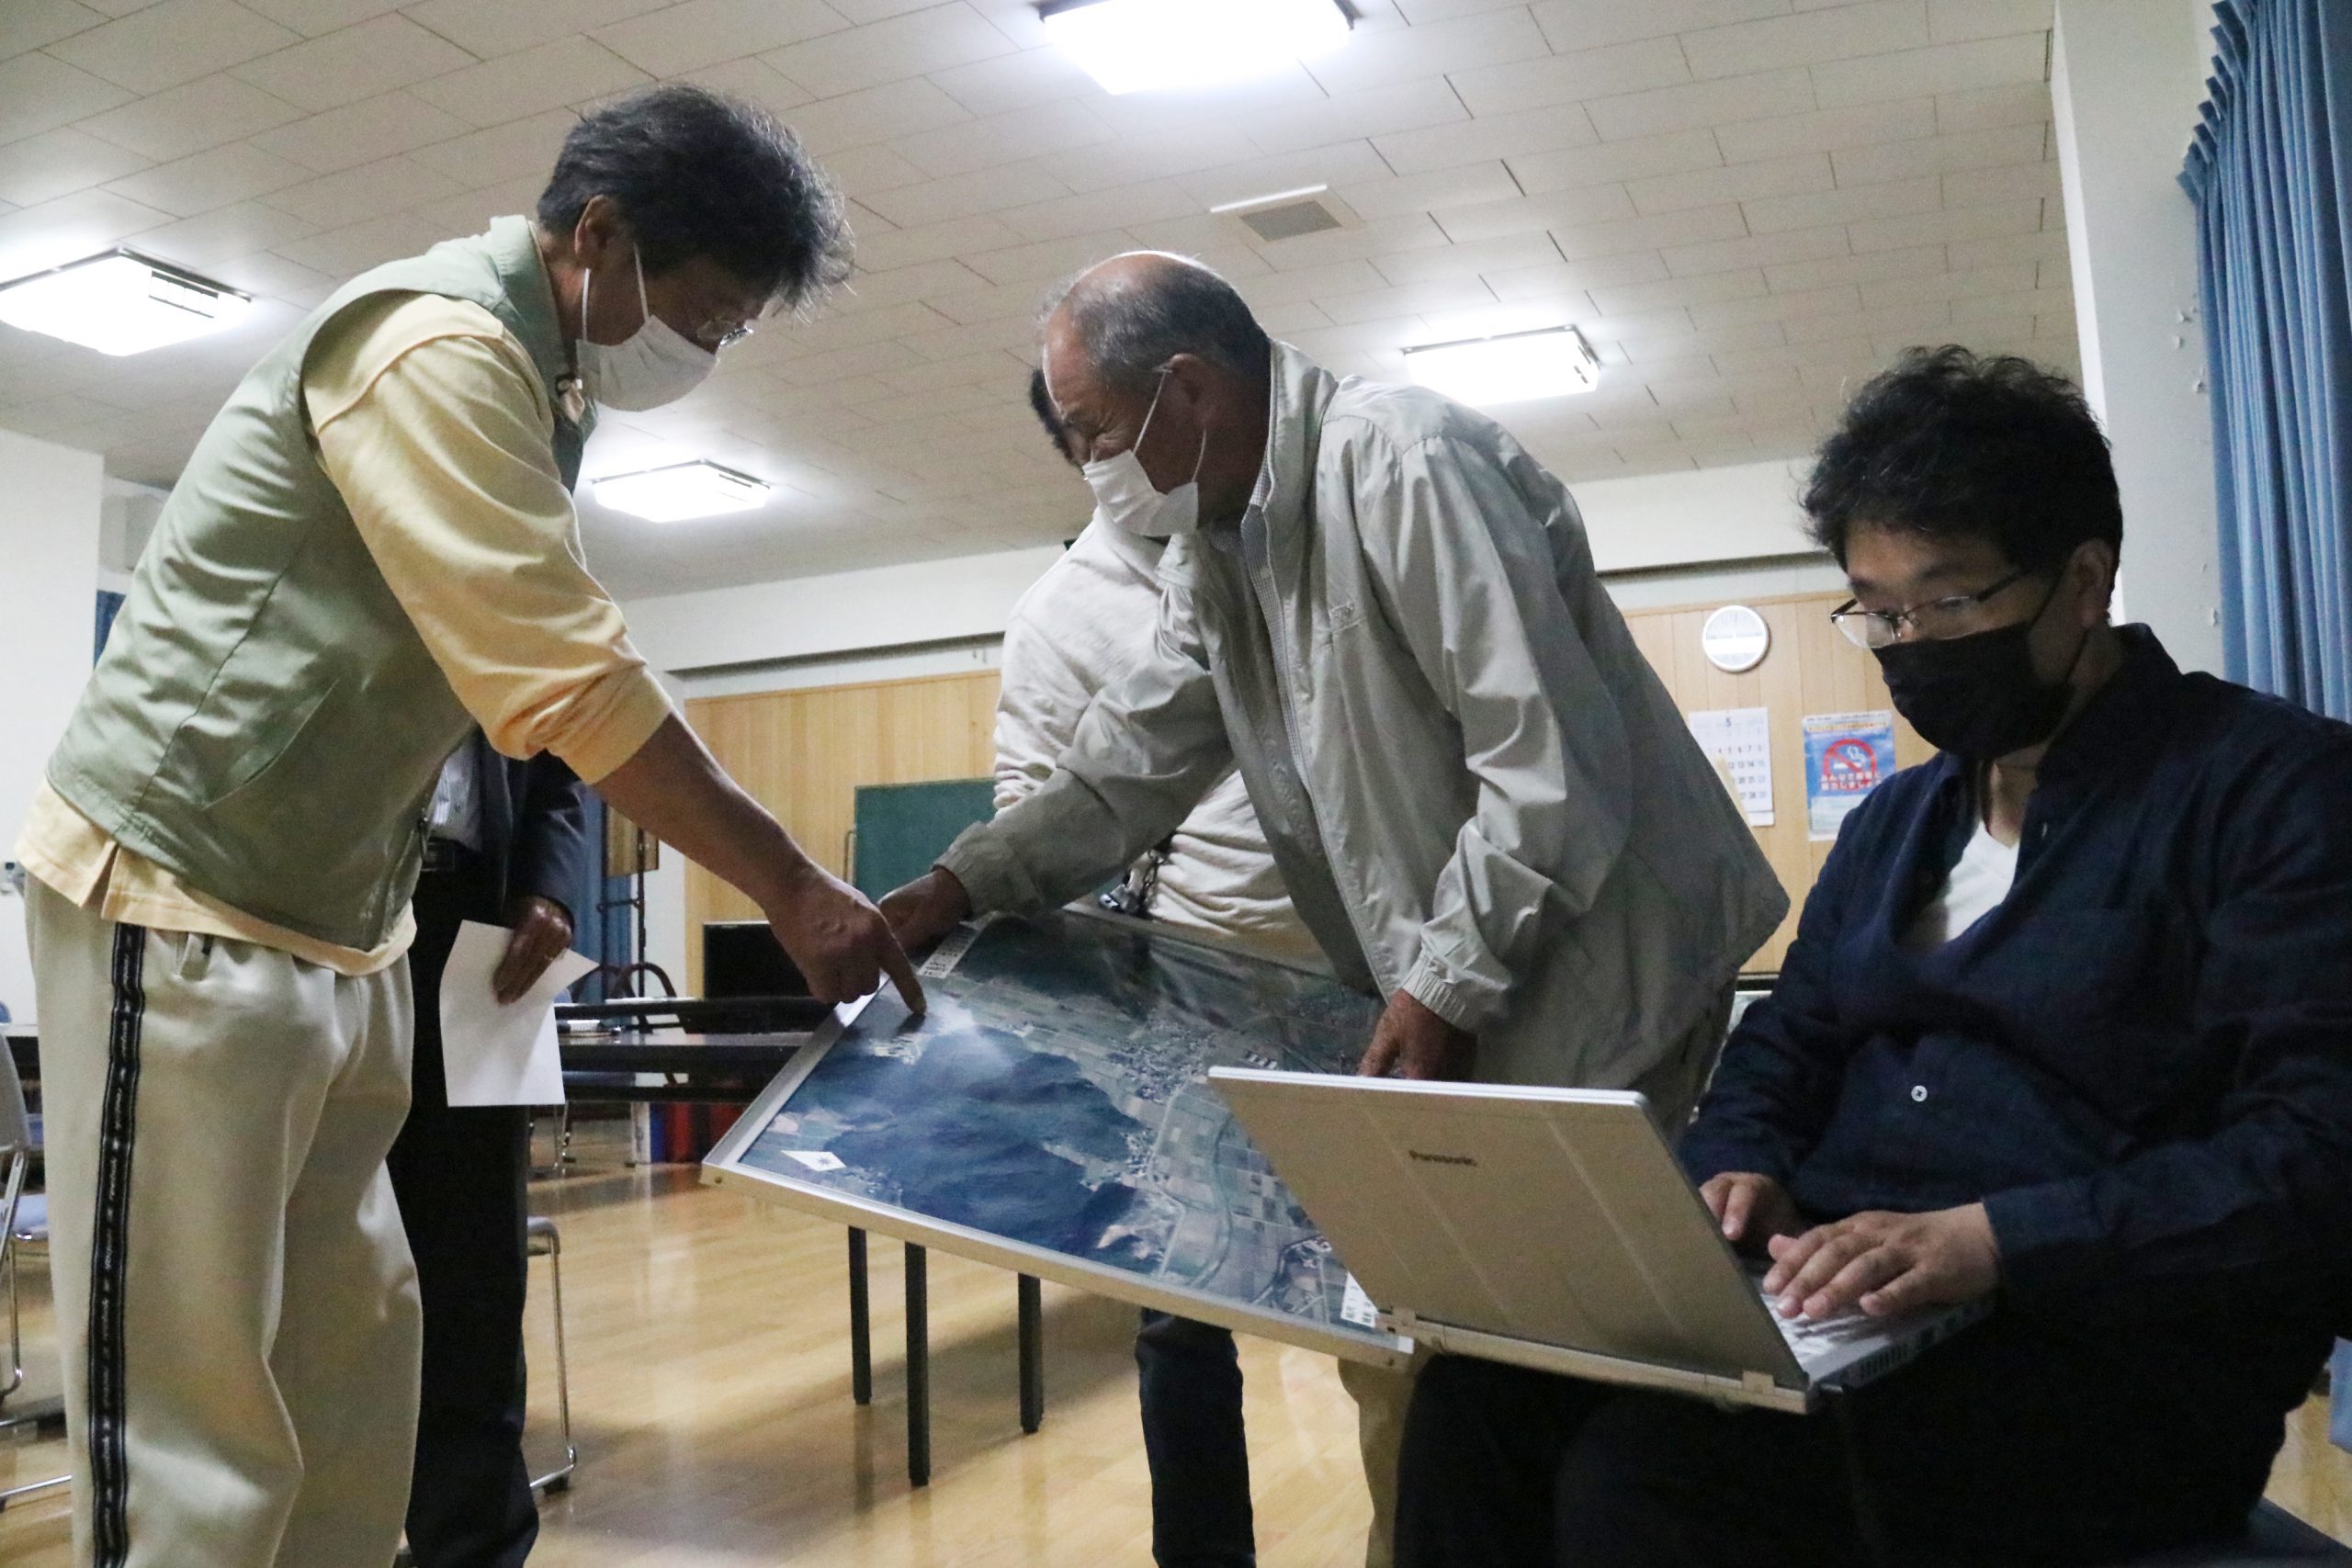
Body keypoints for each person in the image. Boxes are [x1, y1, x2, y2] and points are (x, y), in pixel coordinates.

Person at [15, 84, 918, 1568]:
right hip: (175, 892)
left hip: (338, 917)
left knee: (356, 1360)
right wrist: (796, 887)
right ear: (598, 237)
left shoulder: (537, 380)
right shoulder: (434, 342)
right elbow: (564, 674)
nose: (702, 353)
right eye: (705, 314)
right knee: (195, 1412)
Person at [1390, 347, 2352, 1568]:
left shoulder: (2276, 794)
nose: (1911, 644)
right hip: (1840, 1307)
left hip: (2100, 1359)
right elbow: (1783, 1046)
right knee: (1478, 1396)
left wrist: (1991, 1237)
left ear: (2085, 578)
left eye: (1950, 603)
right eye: (1879, 610)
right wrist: (1739, 1165)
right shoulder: (1896, 824)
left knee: (1650, 1483)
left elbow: (2316, 1156)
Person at [885, 252, 1786, 1552]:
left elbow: (1551, 766)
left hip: (1605, 977)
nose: (1083, 462)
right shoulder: (1223, 541)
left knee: (1584, 1375)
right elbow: (1125, 760)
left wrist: (1446, 980)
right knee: (1483, 1365)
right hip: (1484, 981)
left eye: (1088, 429)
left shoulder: (1403, 463)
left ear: (1187, 389)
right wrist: (963, 878)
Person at [1011, 368, 1399, 1568]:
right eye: (1097, 434)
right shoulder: (1059, 614)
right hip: (1191, 999)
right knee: (1182, 1326)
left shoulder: (1294, 540)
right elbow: (1038, 814)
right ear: (1081, 450)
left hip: (1372, 985)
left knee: (1396, 1311)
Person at [388, 734, 590, 1568]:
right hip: (331, 912)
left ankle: (473, 1551)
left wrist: (550, 888)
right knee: (316, 1262)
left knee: (476, 1272)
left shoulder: (520, 608)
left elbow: (556, 773)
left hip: (480, 932)